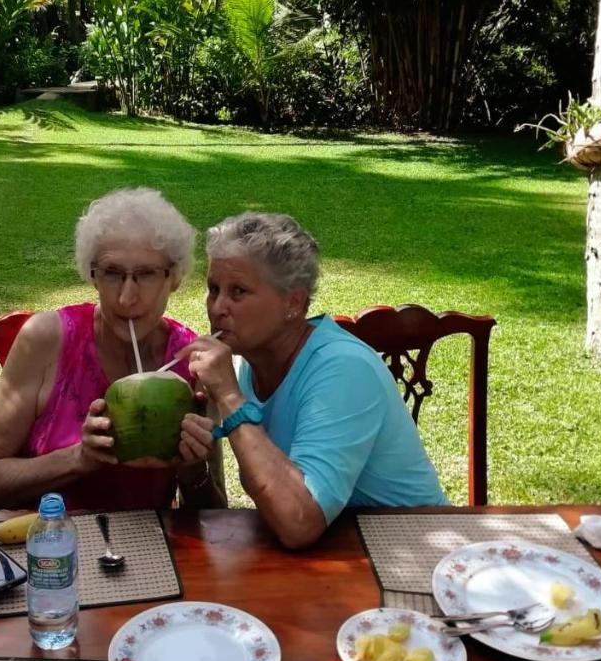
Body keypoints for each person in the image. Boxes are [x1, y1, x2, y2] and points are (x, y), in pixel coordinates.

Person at [180, 212, 445, 548]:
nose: (217, 307)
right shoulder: (252, 365)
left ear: (293, 302)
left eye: (238, 292)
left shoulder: (344, 369)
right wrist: (191, 465)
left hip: (412, 551)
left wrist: (232, 400)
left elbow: (299, 524)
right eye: (213, 289)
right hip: (339, 555)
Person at [0, 188, 225, 512]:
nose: (126, 298)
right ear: (92, 275)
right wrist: (79, 458)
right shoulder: (47, 339)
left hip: (147, 553)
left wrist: (192, 470)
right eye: (112, 273)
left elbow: (214, 514)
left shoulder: (190, 361)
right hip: (47, 548)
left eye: (146, 275)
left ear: (174, 277)